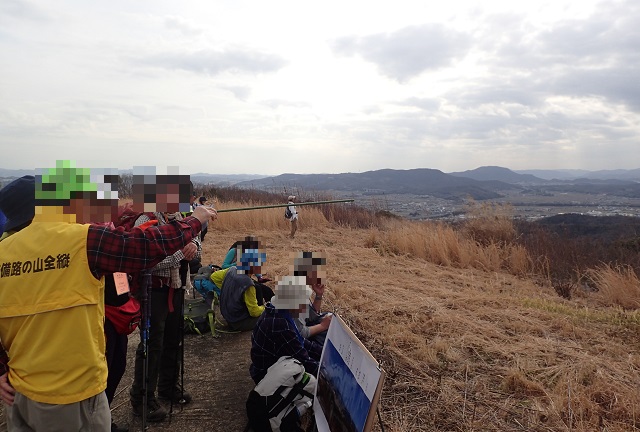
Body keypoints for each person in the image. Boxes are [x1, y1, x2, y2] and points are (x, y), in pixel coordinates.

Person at [0, 163, 217, 432]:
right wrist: (195, 221)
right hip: (73, 396)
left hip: (20, 394)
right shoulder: (81, 239)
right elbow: (142, 248)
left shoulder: (5, 251)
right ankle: (143, 397)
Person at [129, 176, 202, 422]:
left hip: (177, 286)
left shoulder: (181, 219)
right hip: (154, 290)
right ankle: (142, 399)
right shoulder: (146, 219)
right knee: (152, 345)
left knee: (174, 339)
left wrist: (192, 246)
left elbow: (197, 245)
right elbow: (146, 260)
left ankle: (168, 387)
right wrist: (181, 254)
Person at [249, 275, 322, 384]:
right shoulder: (280, 324)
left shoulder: (277, 311)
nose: (303, 308)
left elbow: (300, 341)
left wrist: (323, 352)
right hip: (266, 375)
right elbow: (303, 359)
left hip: (264, 366)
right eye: (302, 304)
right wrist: (327, 372)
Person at [217, 236, 272, 331]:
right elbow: (254, 312)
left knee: (263, 289)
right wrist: (265, 307)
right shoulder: (248, 284)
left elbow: (214, 276)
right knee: (269, 316)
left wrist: (260, 277)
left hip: (228, 316)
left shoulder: (232, 270)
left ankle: (273, 303)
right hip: (238, 321)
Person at [291, 251, 332, 346]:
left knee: (329, 317)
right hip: (293, 342)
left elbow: (311, 317)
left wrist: (319, 295)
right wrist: (323, 326)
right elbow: (301, 333)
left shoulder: (300, 287)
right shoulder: (295, 295)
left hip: (299, 332)